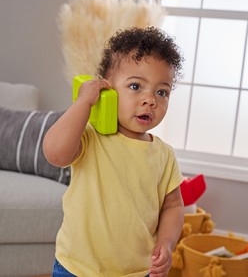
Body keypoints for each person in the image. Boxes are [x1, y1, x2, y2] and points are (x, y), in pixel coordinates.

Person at [43, 26, 184, 277]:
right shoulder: (91, 137)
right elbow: (54, 153)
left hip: (138, 271)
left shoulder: (164, 155)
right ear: (107, 89)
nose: (150, 99)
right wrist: (83, 102)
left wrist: (166, 242)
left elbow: (173, 206)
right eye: (135, 86)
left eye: (162, 92)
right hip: (77, 268)